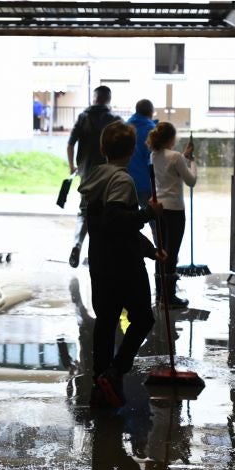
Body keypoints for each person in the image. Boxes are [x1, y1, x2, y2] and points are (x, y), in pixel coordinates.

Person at [79, 121, 165, 407]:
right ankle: (115, 373)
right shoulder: (121, 181)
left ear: (103, 149)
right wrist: (148, 213)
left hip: (102, 263)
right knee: (143, 319)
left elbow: (109, 227)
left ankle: (99, 385)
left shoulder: (97, 177)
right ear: (131, 150)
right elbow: (117, 221)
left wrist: (150, 250)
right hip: (124, 265)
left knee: (106, 322)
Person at [66, 85, 121, 268]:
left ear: (95, 98)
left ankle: (77, 244)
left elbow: (70, 144)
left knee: (84, 211)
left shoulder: (83, 118)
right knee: (106, 211)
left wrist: (72, 165)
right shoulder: (114, 120)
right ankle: (100, 252)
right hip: (108, 173)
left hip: (86, 173)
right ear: (108, 100)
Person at [147, 121, 197, 307]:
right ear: (171, 138)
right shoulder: (175, 156)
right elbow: (190, 181)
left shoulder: (155, 155)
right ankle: (170, 298)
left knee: (160, 251)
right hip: (175, 210)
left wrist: (184, 157)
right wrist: (191, 162)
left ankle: (160, 295)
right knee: (172, 253)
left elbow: (171, 169)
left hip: (158, 209)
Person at [125, 99, 157, 204]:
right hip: (145, 182)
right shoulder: (152, 130)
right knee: (152, 215)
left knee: (131, 217)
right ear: (151, 112)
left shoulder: (126, 126)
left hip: (126, 180)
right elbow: (153, 157)